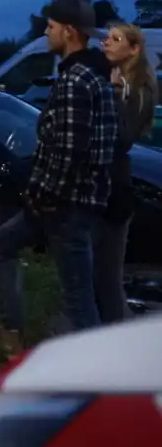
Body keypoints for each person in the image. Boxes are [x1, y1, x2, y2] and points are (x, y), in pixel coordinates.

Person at [0, 0, 118, 356]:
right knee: (2, 243)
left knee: (78, 295)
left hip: (65, 203)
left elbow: (69, 150)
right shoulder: (90, 74)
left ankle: (93, 373)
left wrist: (44, 198)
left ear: (69, 31)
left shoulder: (78, 79)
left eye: (50, 27)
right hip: (66, 200)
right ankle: (12, 333)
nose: (46, 33)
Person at [95, 23, 158, 324]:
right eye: (107, 37)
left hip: (115, 188)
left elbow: (123, 137)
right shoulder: (112, 80)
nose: (107, 42)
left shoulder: (139, 89)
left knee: (107, 277)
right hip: (100, 184)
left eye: (116, 39)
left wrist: (114, 91)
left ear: (134, 49)